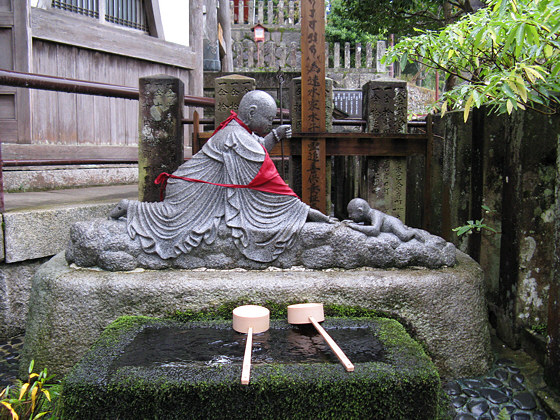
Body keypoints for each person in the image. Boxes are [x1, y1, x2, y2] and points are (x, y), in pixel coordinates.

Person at [111, 90, 334, 263]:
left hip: (199, 187)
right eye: (269, 119)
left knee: (175, 219)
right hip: (192, 191)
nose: (270, 124)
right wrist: (303, 211)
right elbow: (268, 182)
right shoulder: (236, 136)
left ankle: (131, 209)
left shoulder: (238, 131)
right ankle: (130, 208)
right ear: (252, 112)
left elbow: (256, 153)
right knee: (171, 221)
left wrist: (274, 135)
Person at [346, 198, 425, 242]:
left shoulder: (375, 214)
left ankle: (413, 231)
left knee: (404, 236)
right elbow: (366, 228)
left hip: (393, 223)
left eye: (351, 213)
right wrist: (353, 224)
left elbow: (375, 230)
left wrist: (354, 226)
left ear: (360, 211)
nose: (349, 216)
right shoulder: (367, 218)